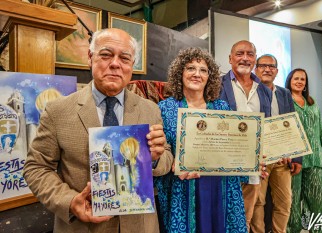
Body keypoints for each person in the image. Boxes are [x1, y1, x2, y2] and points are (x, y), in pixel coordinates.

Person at [23, 28, 173, 233]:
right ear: (90, 57)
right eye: (106, 54)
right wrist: (69, 201)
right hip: (82, 226)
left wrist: (155, 158)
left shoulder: (150, 109)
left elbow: (166, 158)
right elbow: (36, 167)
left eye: (125, 58)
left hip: (140, 226)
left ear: (131, 66)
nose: (115, 64)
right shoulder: (58, 110)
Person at [155, 47, 247, 233]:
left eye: (203, 70)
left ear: (209, 77)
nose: (197, 74)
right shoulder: (165, 108)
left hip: (220, 185)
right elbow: (161, 149)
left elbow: (234, 146)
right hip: (183, 186)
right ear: (180, 73)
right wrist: (174, 161)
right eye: (190, 68)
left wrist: (249, 158)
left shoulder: (222, 107)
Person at [219, 40, 272, 232]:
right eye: (240, 53)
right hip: (224, 169)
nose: (245, 58)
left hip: (253, 169)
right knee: (223, 220)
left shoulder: (265, 91)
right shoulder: (216, 85)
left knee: (244, 221)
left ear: (255, 59)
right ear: (230, 58)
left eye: (250, 54)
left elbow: (267, 127)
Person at [250, 54, 302, 233]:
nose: (267, 69)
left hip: (282, 159)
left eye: (271, 66)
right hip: (260, 158)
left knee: (285, 201)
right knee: (258, 201)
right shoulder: (251, 92)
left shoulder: (284, 93)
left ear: (277, 71)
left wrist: (297, 157)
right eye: (263, 65)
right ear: (256, 69)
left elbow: (293, 125)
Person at [285, 68, 322, 233]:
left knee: (316, 199)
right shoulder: (285, 101)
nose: (299, 81)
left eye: (302, 79)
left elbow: (320, 127)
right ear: (289, 81)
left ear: (305, 84)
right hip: (295, 158)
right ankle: (293, 229)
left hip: (315, 158)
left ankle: (317, 229)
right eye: (296, 78)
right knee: (293, 199)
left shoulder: (312, 102)